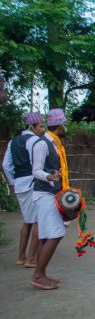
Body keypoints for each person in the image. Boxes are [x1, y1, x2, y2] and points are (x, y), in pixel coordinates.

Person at [30, 108, 69, 290]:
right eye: (64, 125)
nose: (65, 128)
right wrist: (49, 177)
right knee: (56, 233)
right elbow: (36, 170)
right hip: (45, 194)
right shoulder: (42, 143)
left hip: (52, 193)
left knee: (47, 235)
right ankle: (38, 275)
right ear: (60, 125)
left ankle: (41, 274)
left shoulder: (55, 144)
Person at [2, 112, 45, 267]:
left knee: (27, 221)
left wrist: (15, 180)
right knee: (38, 221)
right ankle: (31, 259)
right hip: (34, 183)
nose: (43, 129)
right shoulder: (36, 141)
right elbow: (37, 165)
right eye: (40, 126)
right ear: (31, 127)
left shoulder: (13, 142)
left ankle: (20, 257)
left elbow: (6, 166)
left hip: (20, 184)